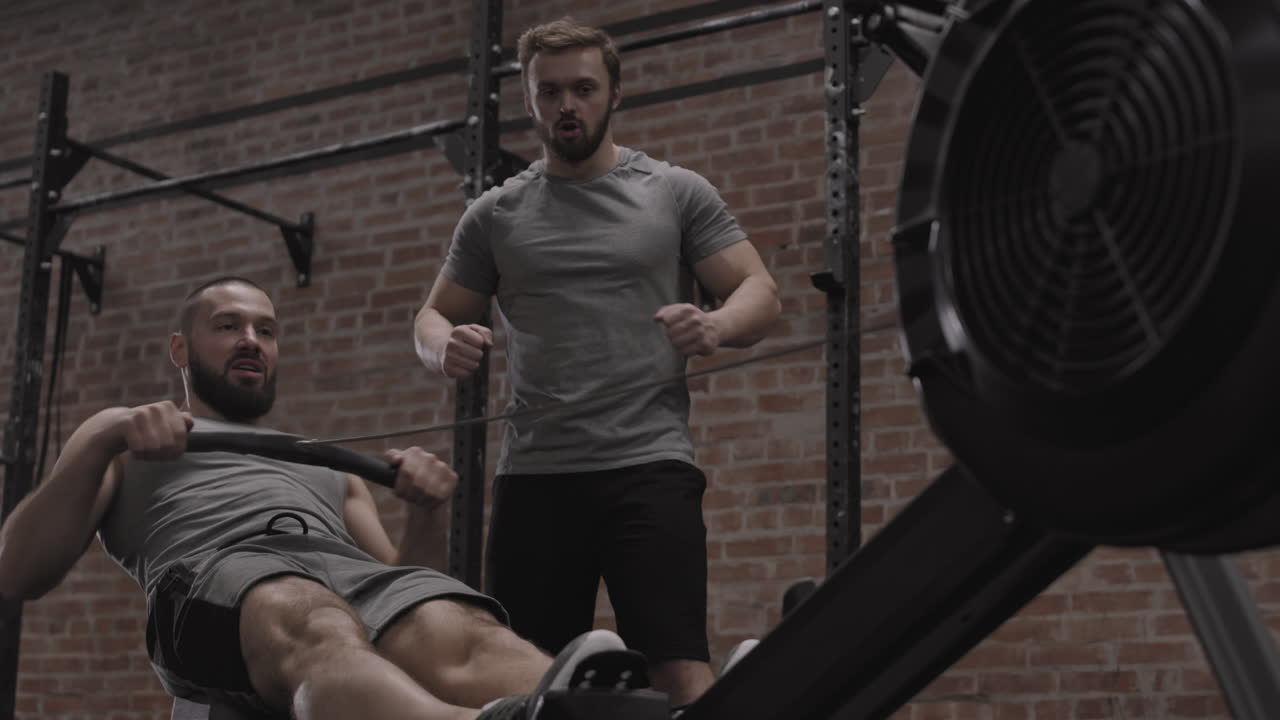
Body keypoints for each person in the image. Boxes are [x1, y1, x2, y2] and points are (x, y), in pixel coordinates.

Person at [0, 276, 630, 720]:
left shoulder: (328, 467)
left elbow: (399, 585)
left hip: (339, 576)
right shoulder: (124, 436)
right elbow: (18, 570)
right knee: (314, 618)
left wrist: (426, 510)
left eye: (266, 330)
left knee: (451, 622)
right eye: (228, 326)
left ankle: (591, 708)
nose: (251, 339)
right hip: (219, 576)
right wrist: (103, 439)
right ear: (180, 349)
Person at [413, 17, 781, 710]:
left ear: (615, 93)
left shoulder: (674, 191)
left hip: (649, 467)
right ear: (529, 101)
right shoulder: (495, 214)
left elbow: (760, 293)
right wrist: (443, 347)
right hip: (535, 477)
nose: (566, 105)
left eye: (583, 89)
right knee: (526, 680)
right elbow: (431, 317)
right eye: (549, 92)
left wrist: (715, 325)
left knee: (678, 671)